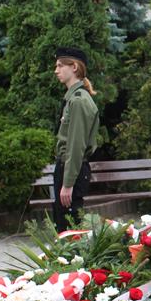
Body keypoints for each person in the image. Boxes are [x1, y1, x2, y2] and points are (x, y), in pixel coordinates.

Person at [52, 47, 99, 232]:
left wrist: (68, 183)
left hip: (71, 170)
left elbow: (76, 145)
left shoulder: (78, 101)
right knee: (64, 227)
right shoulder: (73, 98)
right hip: (68, 168)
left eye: (60, 66)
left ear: (74, 67)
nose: (56, 70)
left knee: (69, 232)